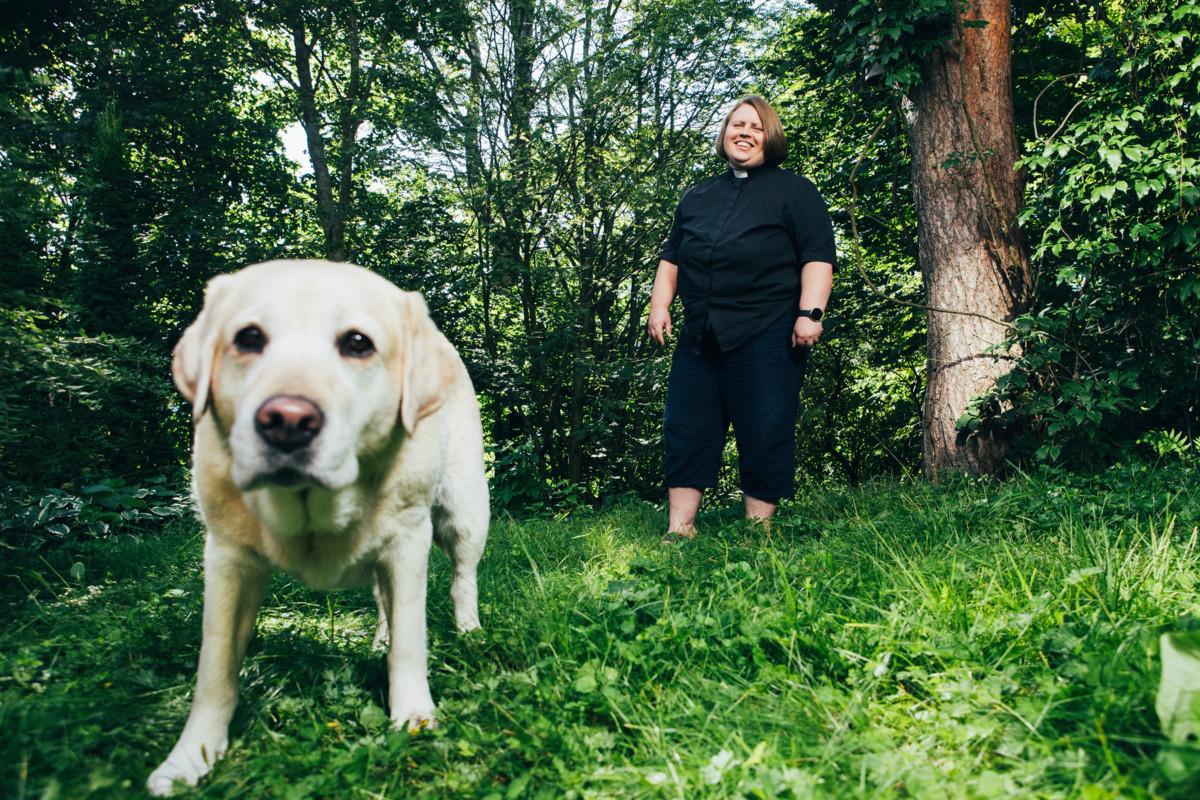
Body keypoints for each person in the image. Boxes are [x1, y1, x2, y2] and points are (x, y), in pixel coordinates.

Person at [647, 95, 836, 542]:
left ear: (769, 136)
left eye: (754, 126)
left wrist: (810, 314)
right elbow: (671, 257)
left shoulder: (795, 191)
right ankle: (680, 529)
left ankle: (758, 531)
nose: (744, 133)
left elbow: (817, 258)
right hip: (700, 337)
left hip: (768, 334)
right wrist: (660, 306)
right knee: (686, 428)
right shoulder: (698, 195)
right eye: (737, 124)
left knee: (764, 428)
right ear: (724, 133)